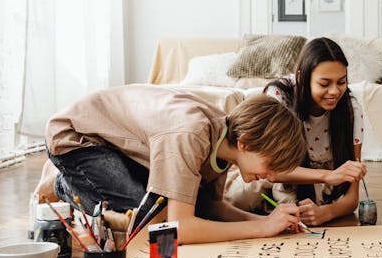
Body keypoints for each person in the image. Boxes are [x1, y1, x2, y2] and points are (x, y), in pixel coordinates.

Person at [35, 85, 308, 244]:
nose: (271, 176)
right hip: (78, 137)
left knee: (196, 210)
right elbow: (180, 227)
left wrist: (270, 221)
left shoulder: (226, 147)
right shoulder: (191, 134)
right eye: (271, 164)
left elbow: (213, 207)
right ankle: (61, 181)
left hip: (125, 150)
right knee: (150, 221)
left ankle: (74, 178)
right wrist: (261, 229)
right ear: (246, 143)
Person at [225, 37, 367, 226]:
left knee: (304, 212)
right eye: (324, 84)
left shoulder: (352, 110)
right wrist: (327, 175)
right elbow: (271, 170)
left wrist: (326, 213)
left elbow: (351, 198)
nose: (334, 91)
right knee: (236, 201)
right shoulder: (279, 97)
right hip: (269, 174)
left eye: (341, 82)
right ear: (301, 78)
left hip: (317, 188)